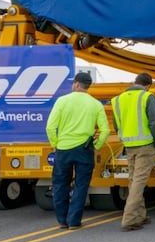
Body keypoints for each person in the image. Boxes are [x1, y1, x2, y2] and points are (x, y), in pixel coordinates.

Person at [45, 71, 110, 230]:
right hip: (84, 150)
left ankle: (62, 220)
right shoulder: (95, 104)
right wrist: (96, 145)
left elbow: (50, 127)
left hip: (63, 149)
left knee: (60, 184)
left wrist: (55, 144)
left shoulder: (62, 101)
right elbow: (106, 130)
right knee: (81, 186)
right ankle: (74, 221)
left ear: (76, 84)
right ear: (88, 86)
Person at [111, 72, 155, 231]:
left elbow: (116, 124)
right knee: (140, 181)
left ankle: (140, 215)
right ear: (148, 85)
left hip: (129, 145)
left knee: (133, 180)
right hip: (146, 144)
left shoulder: (118, 100)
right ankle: (129, 218)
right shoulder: (147, 97)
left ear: (135, 82)